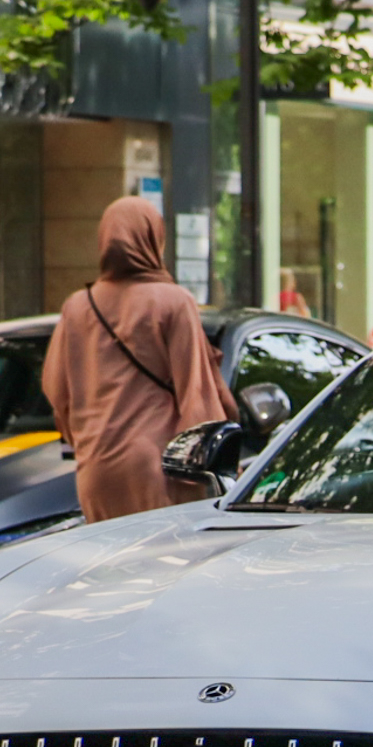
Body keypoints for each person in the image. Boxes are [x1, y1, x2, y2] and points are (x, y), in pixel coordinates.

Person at [43, 197, 241, 522]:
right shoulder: (173, 302)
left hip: (95, 468)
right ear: (154, 238)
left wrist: (84, 436)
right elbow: (197, 392)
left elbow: (56, 390)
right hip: (157, 468)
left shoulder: (77, 306)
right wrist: (210, 464)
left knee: (110, 567)